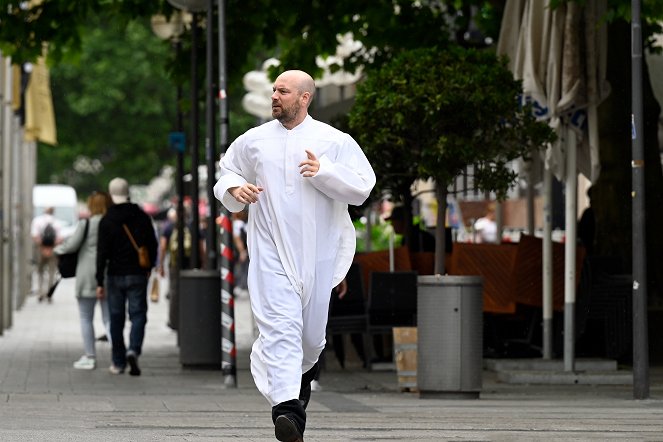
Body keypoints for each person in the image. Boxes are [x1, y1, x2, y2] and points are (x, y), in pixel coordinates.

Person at [213, 69, 375, 442]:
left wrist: (325, 171)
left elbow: (363, 187)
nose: (275, 96)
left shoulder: (334, 141)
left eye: (283, 91)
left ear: (304, 98)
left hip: (317, 256)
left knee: (311, 339)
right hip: (270, 252)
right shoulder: (252, 140)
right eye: (274, 90)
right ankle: (287, 412)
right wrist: (235, 188)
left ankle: (298, 386)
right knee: (281, 328)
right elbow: (227, 171)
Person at [96, 177, 158, 376]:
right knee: (138, 314)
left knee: (116, 318)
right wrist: (150, 266)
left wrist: (99, 279)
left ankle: (118, 361)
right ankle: (134, 349)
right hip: (138, 273)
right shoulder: (141, 216)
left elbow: (102, 252)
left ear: (111, 194)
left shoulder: (106, 220)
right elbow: (152, 244)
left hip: (114, 274)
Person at [54, 191, 113, 370]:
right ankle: (118, 354)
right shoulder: (111, 224)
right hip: (106, 274)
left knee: (86, 317)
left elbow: (71, 245)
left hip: (87, 276)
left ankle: (90, 356)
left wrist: (57, 249)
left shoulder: (85, 224)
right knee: (109, 318)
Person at [30, 206, 63, 302]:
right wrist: (50, 248)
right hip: (53, 250)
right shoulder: (57, 222)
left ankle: (41, 292)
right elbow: (59, 239)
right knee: (52, 272)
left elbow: (35, 236)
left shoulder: (37, 221)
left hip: (40, 250)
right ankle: (49, 293)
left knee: (40, 271)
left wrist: (43, 248)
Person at [231, 209, 249, 297]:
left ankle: (240, 286)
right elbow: (238, 239)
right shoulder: (240, 224)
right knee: (242, 269)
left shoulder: (238, 224)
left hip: (241, 252)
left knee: (242, 269)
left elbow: (237, 238)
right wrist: (242, 251)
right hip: (242, 252)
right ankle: (240, 286)